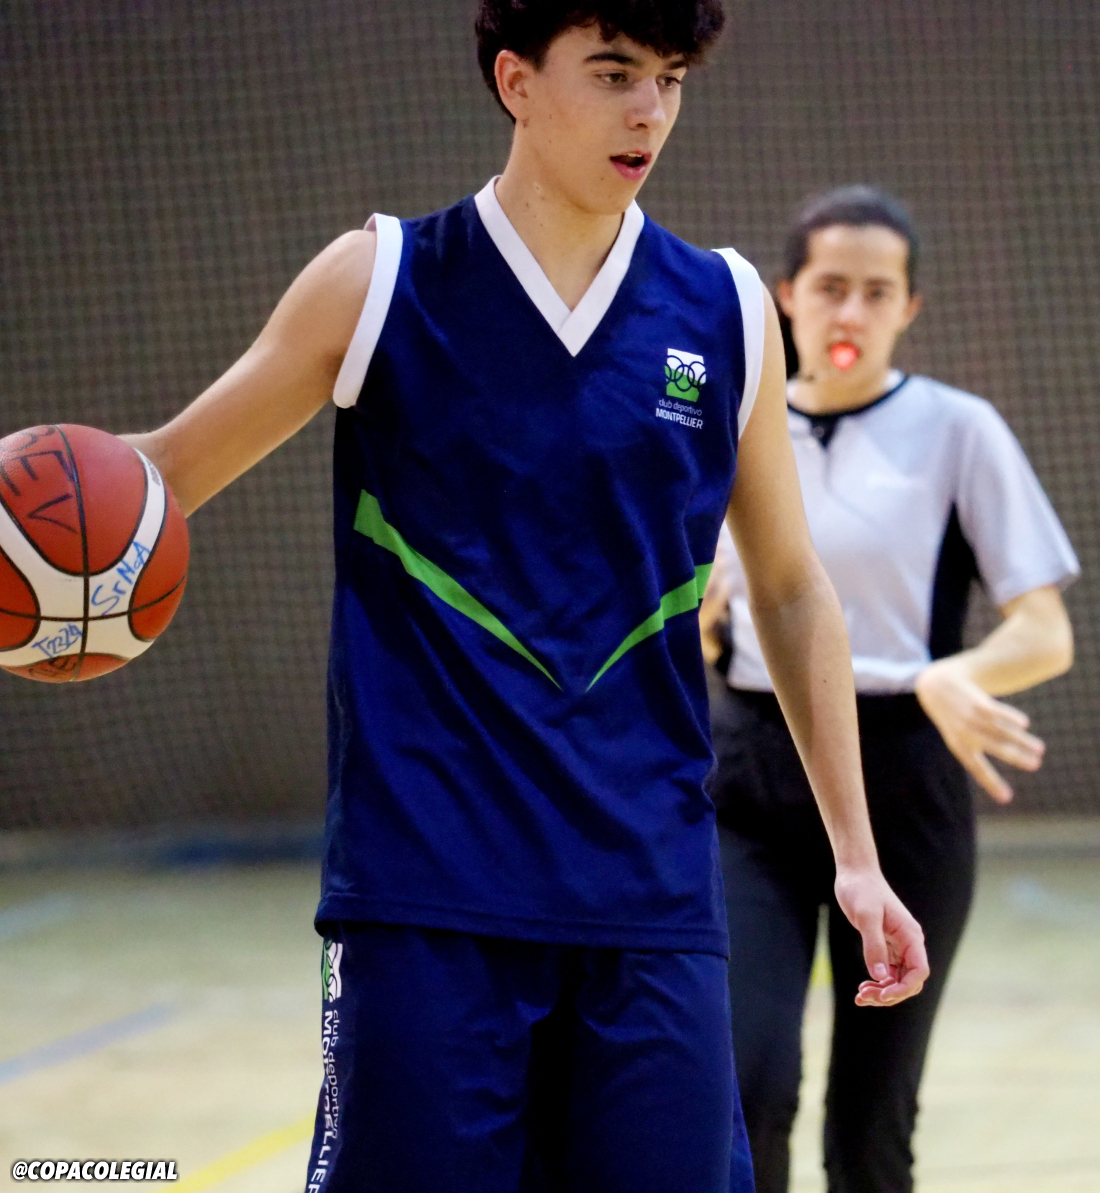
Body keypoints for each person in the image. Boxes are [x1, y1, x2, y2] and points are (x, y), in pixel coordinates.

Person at [122, 9, 929, 1190]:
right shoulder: (382, 280)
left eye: (666, 79)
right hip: (426, 895)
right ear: (515, 80)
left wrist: (853, 855)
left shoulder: (724, 308)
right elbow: (157, 476)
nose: (647, 111)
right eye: (612, 74)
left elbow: (793, 589)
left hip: (649, 893)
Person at [705, 185, 1079, 1193]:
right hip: (750, 776)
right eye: (831, 286)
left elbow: (1044, 630)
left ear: (909, 307)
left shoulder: (957, 429)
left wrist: (958, 673)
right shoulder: (730, 424)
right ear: (787, 296)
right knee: (746, 1081)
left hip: (904, 779)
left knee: (871, 1125)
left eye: (877, 292)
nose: (851, 311)